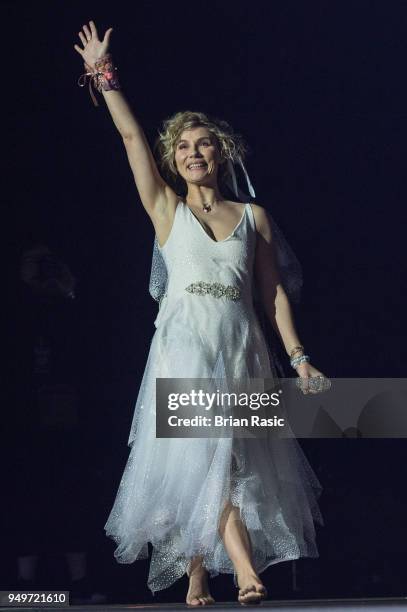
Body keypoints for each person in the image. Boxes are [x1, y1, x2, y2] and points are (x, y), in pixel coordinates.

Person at [74, 20, 327, 606]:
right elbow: (133, 140)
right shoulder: (166, 209)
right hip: (184, 346)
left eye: (203, 143)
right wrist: (104, 77)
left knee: (231, 460)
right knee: (208, 452)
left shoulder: (253, 217)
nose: (192, 153)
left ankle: (195, 572)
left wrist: (300, 358)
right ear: (174, 158)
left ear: (222, 151)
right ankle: (242, 571)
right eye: (182, 146)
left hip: (241, 346)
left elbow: (272, 294)